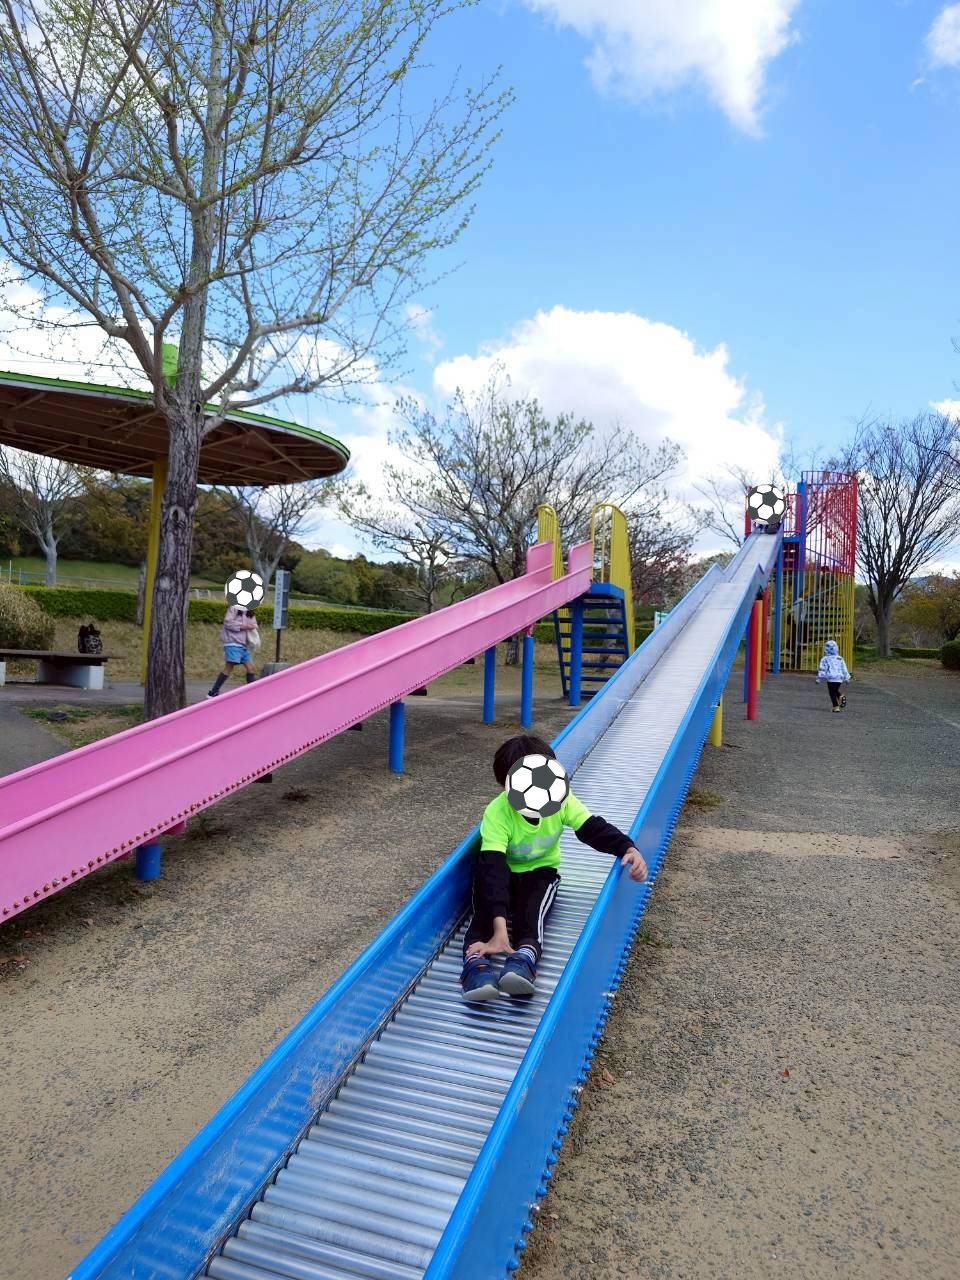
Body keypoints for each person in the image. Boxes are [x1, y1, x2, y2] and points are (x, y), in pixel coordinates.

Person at [461, 734, 648, 1002]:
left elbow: (592, 828)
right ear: (504, 787)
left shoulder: (561, 800)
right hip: (502, 871)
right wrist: (499, 928)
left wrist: (627, 848)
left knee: (531, 915)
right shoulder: (497, 812)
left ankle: (522, 959)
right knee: (484, 911)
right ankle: (476, 965)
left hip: (540, 872)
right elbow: (493, 869)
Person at [208, 605, 259, 697]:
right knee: (228, 668)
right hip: (232, 643)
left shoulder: (250, 611)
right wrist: (244, 626)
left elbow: (254, 624)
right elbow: (227, 623)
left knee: (251, 668)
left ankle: (252, 693)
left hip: (244, 645)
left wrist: (250, 626)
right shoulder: (234, 608)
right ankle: (213, 692)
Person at [815, 638, 851, 713]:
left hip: (831, 678)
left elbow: (822, 669)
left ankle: (836, 707)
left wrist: (819, 679)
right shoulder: (840, 658)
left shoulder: (825, 659)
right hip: (839, 679)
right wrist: (847, 678)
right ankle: (840, 696)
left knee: (831, 692)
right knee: (835, 690)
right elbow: (844, 668)